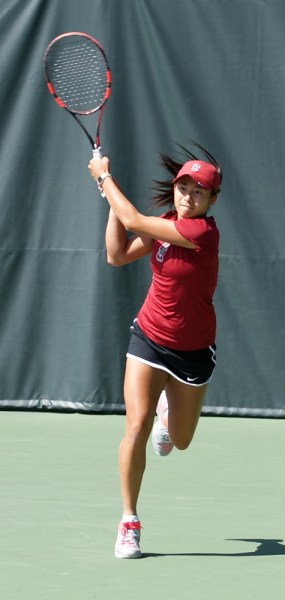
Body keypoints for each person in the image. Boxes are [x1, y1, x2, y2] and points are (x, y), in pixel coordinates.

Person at [88, 141, 222, 559]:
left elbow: (132, 217)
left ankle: (170, 413)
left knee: (178, 442)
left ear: (212, 199)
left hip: (193, 351)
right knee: (135, 427)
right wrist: (112, 202)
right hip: (148, 337)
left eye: (199, 191)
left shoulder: (200, 233)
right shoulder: (163, 224)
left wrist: (105, 178)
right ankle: (129, 521)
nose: (188, 196)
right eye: (184, 187)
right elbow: (116, 254)